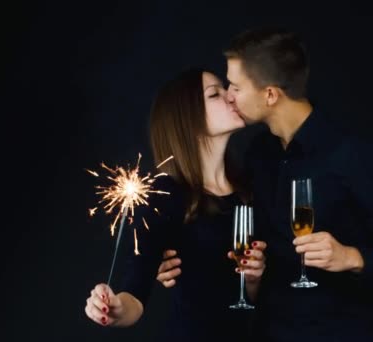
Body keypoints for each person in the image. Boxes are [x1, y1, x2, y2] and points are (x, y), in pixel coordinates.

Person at [156, 28, 373, 341]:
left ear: (270, 94)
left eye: (236, 87)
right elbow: (232, 233)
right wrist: (174, 260)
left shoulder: (351, 155)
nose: (229, 95)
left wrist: (351, 257)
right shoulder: (258, 156)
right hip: (268, 331)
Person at [84, 68, 268, 341]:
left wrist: (254, 280)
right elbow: (135, 288)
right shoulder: (162, 194)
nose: (231, 95)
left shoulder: (251, 187)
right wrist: (116, 308)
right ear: (188, 117)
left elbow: (257, 299)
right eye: (214, 94)